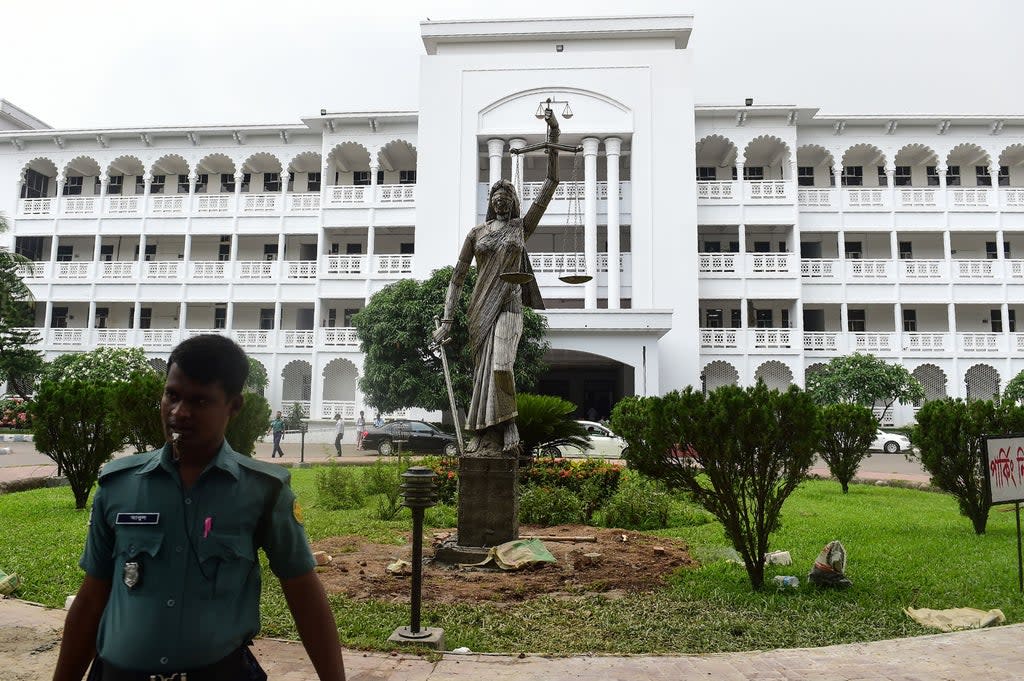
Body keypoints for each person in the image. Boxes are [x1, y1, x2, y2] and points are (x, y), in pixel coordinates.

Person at [52, 334, 346, 681]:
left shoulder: (262, 492)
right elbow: (91, 600)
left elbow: (305, 596)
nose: (179, 413)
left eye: (200, 401)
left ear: (233, 407)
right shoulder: (120, 486)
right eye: (172, 396)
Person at [433, 108, 563, 453]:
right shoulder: (477, 233)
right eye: (496, 196)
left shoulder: (521, 227)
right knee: (482, 374)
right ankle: (483, 432)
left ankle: (509, 424)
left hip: (508, 304)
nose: (502, 200)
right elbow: (458, 278)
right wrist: (447, 320)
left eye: (508, 196)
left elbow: (550, 186)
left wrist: (554, 138)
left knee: (502, 365)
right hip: (479, 308)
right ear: (490, 203)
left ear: (514, 203)